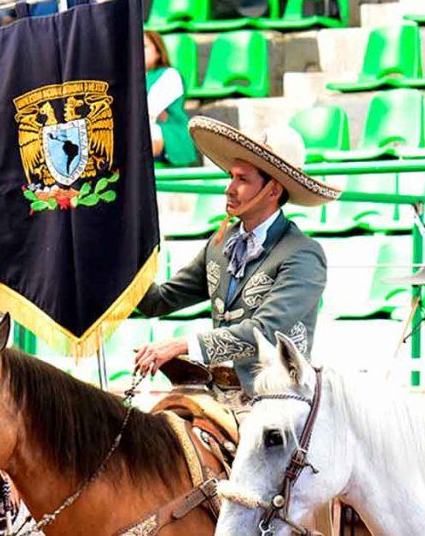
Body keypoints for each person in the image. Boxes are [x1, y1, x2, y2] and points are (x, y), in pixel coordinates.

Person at [134, 117, 342, 394]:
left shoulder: (303, 254)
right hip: (219, 393)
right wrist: (114, 259)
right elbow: (158, 302)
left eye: (242, 179)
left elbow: (266, 331)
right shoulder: (220, 244)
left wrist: (183, 344)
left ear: (273, 190)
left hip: (278, 401)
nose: (229, 188)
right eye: (231, 177)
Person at [144, 31, 197, 167]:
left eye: (144, 47)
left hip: (170, 133)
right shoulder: (130, 79)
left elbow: (147, 110)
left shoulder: (170, 75)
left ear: (158, 51)